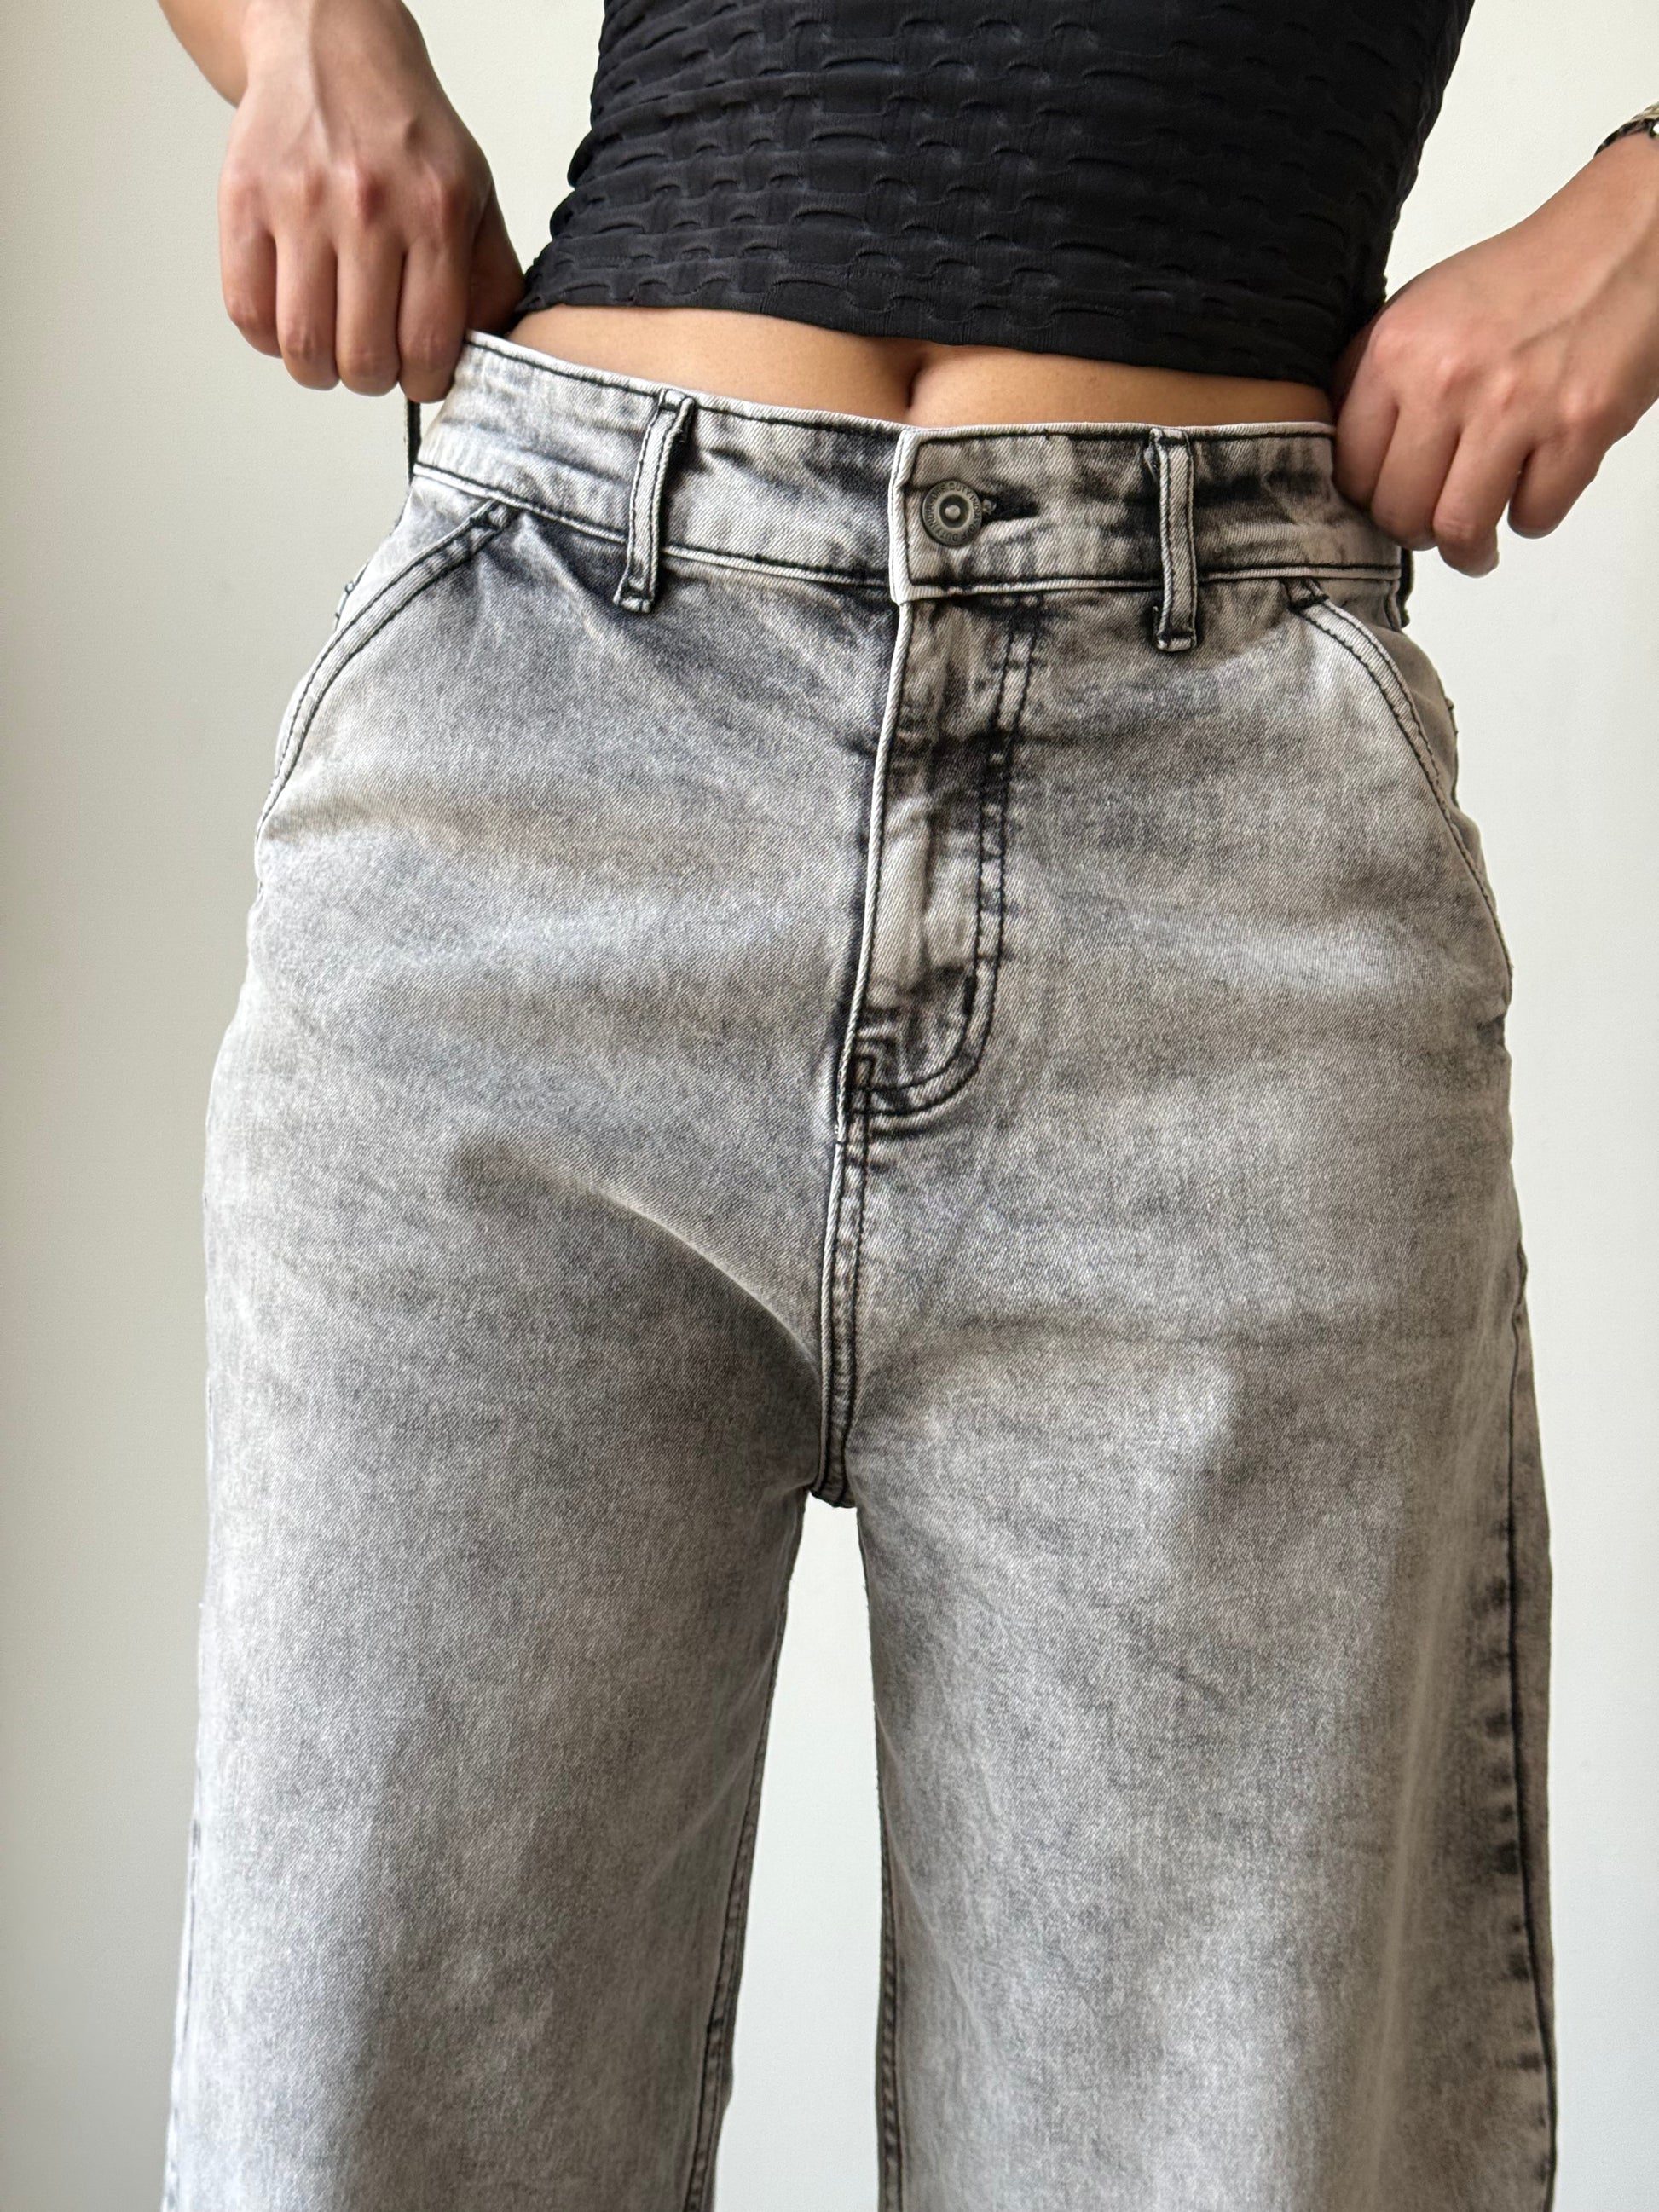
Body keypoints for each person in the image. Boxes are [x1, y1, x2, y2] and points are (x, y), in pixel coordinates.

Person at [153, 3, 1659, 2206]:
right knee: (363, 2128)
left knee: (1216, 2154)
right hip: (558, 712)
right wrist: (307, 38)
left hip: (1216, 793)